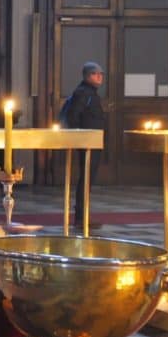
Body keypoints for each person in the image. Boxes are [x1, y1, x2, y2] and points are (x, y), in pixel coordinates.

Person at [67, 61, 106, 230]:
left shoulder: (91, 92)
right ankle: (81, 217)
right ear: (88, 76)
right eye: (96, 74)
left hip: (92, 141)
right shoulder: (83, 93)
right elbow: (73, 116)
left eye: (101, 74)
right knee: (86, 179)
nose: (100, 77)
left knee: (88, 179)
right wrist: (80, 137)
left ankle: (84, 215)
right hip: (86, 142)